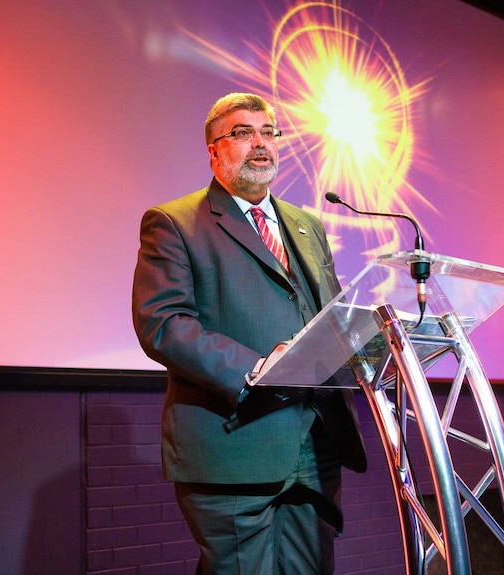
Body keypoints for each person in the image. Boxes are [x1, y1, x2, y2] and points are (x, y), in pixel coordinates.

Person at [132, 92, 367, 574]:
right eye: (242, 133)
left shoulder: (307, 225)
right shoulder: (175, 222)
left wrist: (366, 338)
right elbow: (164, 322)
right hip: (234, 445)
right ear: (214, 152)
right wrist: (256, 369)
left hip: (316, 445)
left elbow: (331, 316)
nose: (259, 143)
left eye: (268, 132)